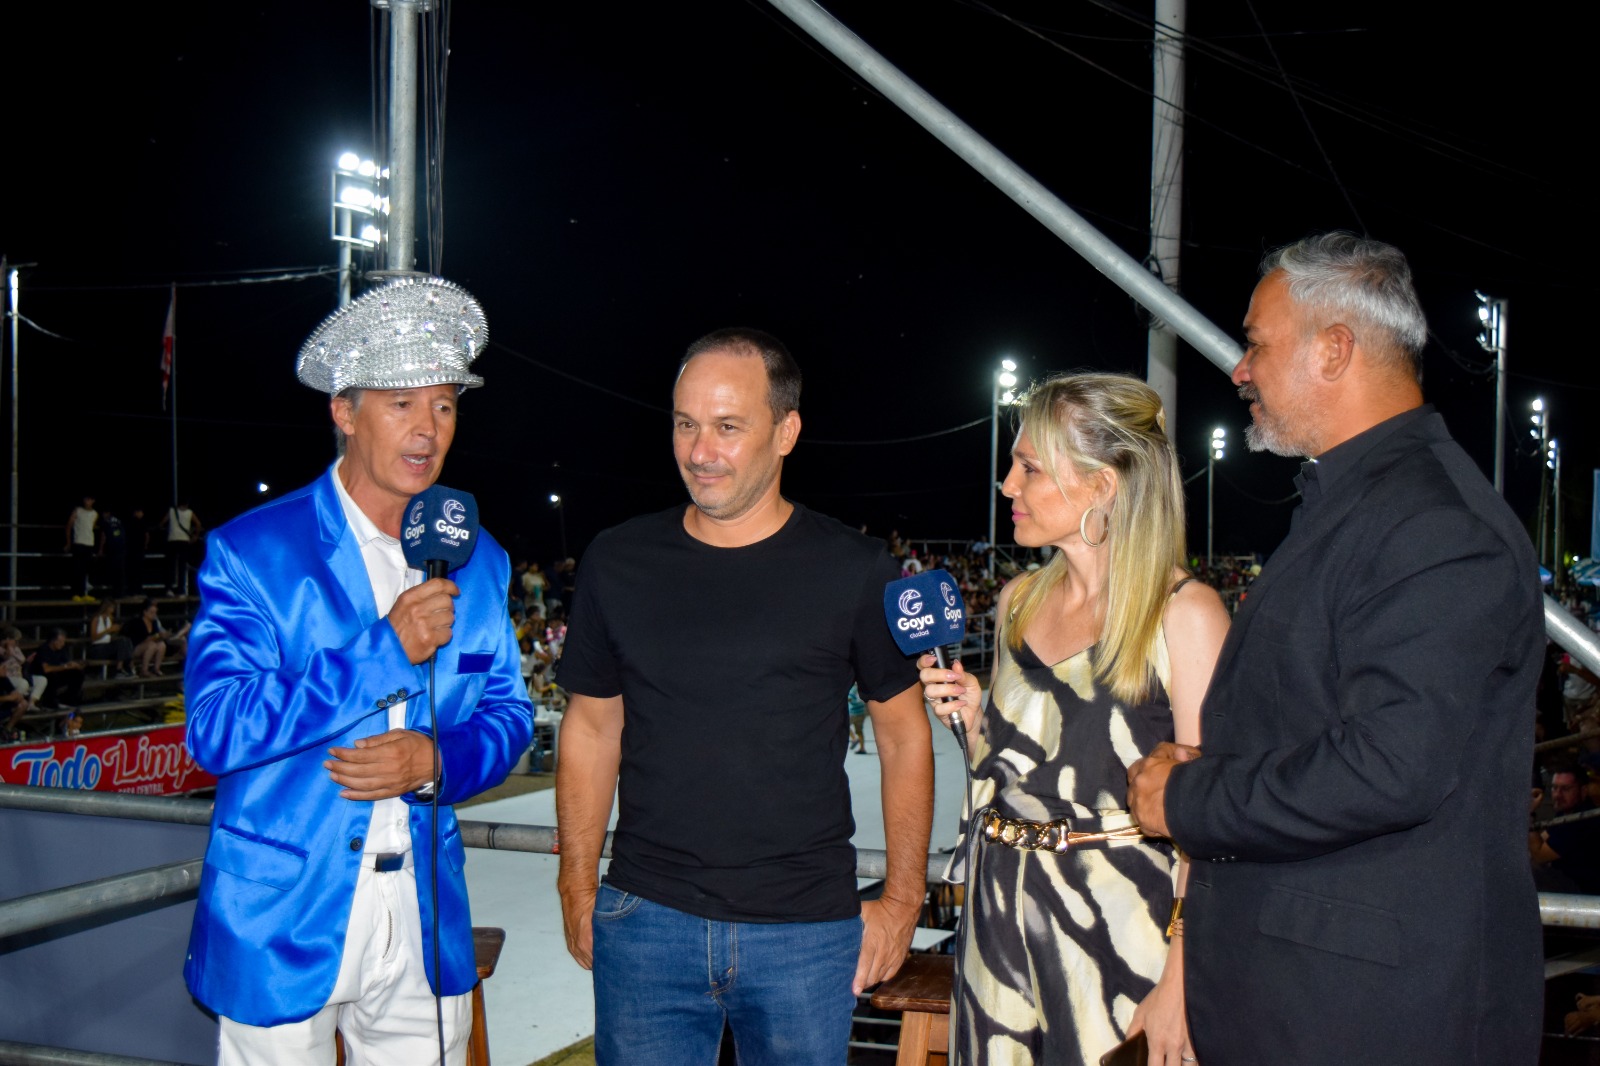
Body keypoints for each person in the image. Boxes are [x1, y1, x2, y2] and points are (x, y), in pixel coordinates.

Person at [1127, 233, 1544, 1064]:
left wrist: (1189, 799)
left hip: (1365, 1017)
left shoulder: (1434, 525)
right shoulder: (1361, 504)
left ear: (1334, 349)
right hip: (1302, 999)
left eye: (1256, 342)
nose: (1239, 369)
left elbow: (1391, 766)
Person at [556, 327, 933, 1065]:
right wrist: (576, 885)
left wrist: (901, 903)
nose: (701, 451)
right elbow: (592, 729)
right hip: (645, 921)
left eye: (729, 427)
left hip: (806, 934)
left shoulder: (858, 570)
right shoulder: (617, 559)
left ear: (786, 432)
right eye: (685, 424)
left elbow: (903, 736)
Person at [182, 276, 533, 1064]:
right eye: (401, 404)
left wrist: (438, 760)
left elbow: (509, 715)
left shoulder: (482, 562)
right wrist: (380, 652)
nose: (427, 430)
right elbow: (213, 730)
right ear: (344, 412)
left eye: (444, 405)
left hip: (422, 912)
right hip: (280, 917)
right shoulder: (253, 551)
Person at [919, 373, 1229, 1066]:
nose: (1007, 485)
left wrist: (1181, 980)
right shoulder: (1017, 604)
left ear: (1102, 486)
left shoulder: (1185, 615)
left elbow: (1214, 821)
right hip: (996, 927)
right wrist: (977, 721)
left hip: (1119, 935)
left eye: (1029, 467)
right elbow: (1027, 772)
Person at [87, 600, 136, 678]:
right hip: (97, 648)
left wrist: (116, 631)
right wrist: (109, 630)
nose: (113, 609)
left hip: (107, 645)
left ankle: (129, 666)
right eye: (112, 607)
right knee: (122, 641)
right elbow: (93, 637)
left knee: (126, 640)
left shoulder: (109, 619)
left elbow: (109, 637)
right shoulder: (96, 619)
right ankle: (119, 669)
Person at [164, 500, 203, 595]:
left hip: (172, 540)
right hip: (184, 541)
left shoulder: (171, 511)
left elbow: (162, 522)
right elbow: (198, 524)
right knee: (182, 566)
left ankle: (169, 588)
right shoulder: (190, 513)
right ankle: (181, 590)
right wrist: (195, 536)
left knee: (170, 565)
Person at [65, 495, 98, 601]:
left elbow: (92, 527)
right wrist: (68, 542)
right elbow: (69, 525)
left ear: (93, 501)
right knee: (77, 568)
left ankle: (84, 593)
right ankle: (75, 593)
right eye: (86, 499)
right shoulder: (77, 510)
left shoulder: (95, 514)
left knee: (87, 569)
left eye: (90, 499)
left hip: (89, 543)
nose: (88, 501)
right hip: (78, 542)